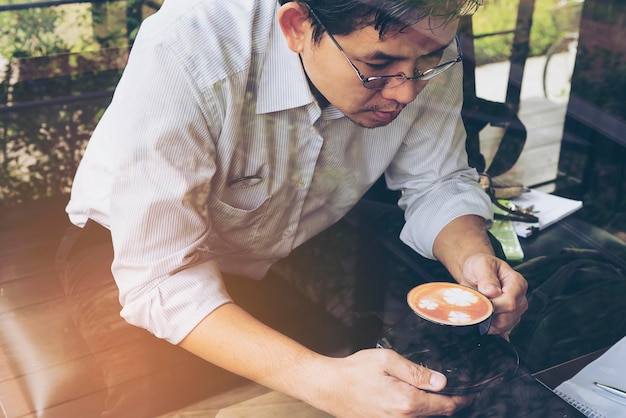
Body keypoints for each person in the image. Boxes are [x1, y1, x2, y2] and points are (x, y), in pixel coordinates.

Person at [58, 0, 528, 416]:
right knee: (148, 402)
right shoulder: (188, 45)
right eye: (377, 64)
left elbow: (438, 182)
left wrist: (471, 257)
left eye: (426, 62)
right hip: (127, 255)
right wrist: (320, 381)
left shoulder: (422, 45)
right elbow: (160, 277)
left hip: (269, 256)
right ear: (297, 25)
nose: (406, 92)